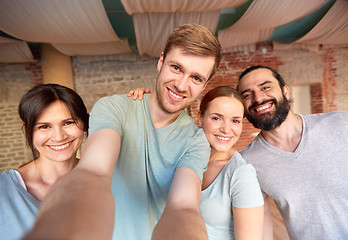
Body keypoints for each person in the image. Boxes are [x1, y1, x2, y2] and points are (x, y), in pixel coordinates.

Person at [24, 23, 221, 240]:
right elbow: (94, 171)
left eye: (196, 78)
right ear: (161, 61)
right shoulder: (113, 108)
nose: (182, 85)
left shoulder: (196, 141)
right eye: (176, 68)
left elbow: (183, 207)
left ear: (205, 85)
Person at [129, 86, 264, 239]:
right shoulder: (181, 153)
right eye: (216, 118)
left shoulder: (241, 174)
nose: (226, 129)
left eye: (235, 121)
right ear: (200, 118)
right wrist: (144, 101)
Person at [237, 65, 348, 240]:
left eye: (265, 87)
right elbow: (261, 227)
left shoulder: (342, 124)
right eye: (247, 95)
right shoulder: (247, 162)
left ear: (285, 91)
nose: (258, 98)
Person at [0, 83, 89, 240]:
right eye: (44, 126)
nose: (58, 137)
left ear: (84, 123)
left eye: (68, 123)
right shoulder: (4, 191)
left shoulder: (111, 180)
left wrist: (143, 103)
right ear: (27, 129)